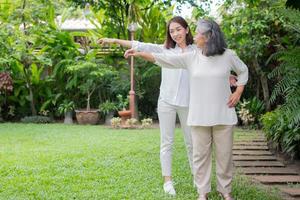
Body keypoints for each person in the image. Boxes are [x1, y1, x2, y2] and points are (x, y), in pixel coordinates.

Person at [123, 19, 248, 200]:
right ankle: (202, 192)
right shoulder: (192, 57)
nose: (194, 36)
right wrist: (140, 53)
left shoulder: (228, 55)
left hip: (223, 114)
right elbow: (164, 59)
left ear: (209, 36)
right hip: (198, 116)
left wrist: (238, 91)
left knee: (224, 156)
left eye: (197, 33)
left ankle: (225, 192)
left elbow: (243, 71)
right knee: (200, 156)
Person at [98, 16, 195, 196]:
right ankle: (168, 181)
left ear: (187, 30)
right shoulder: (165, 50)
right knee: (167, 142)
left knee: (192, 143)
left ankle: (198, 178)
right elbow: (139, 44)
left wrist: (227, 77)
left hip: (188, 102)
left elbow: (213, 64)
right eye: (171, 31)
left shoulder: (197, 51)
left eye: (178, 29)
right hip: (166, 101)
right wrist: (114, 40)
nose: (175, 34)